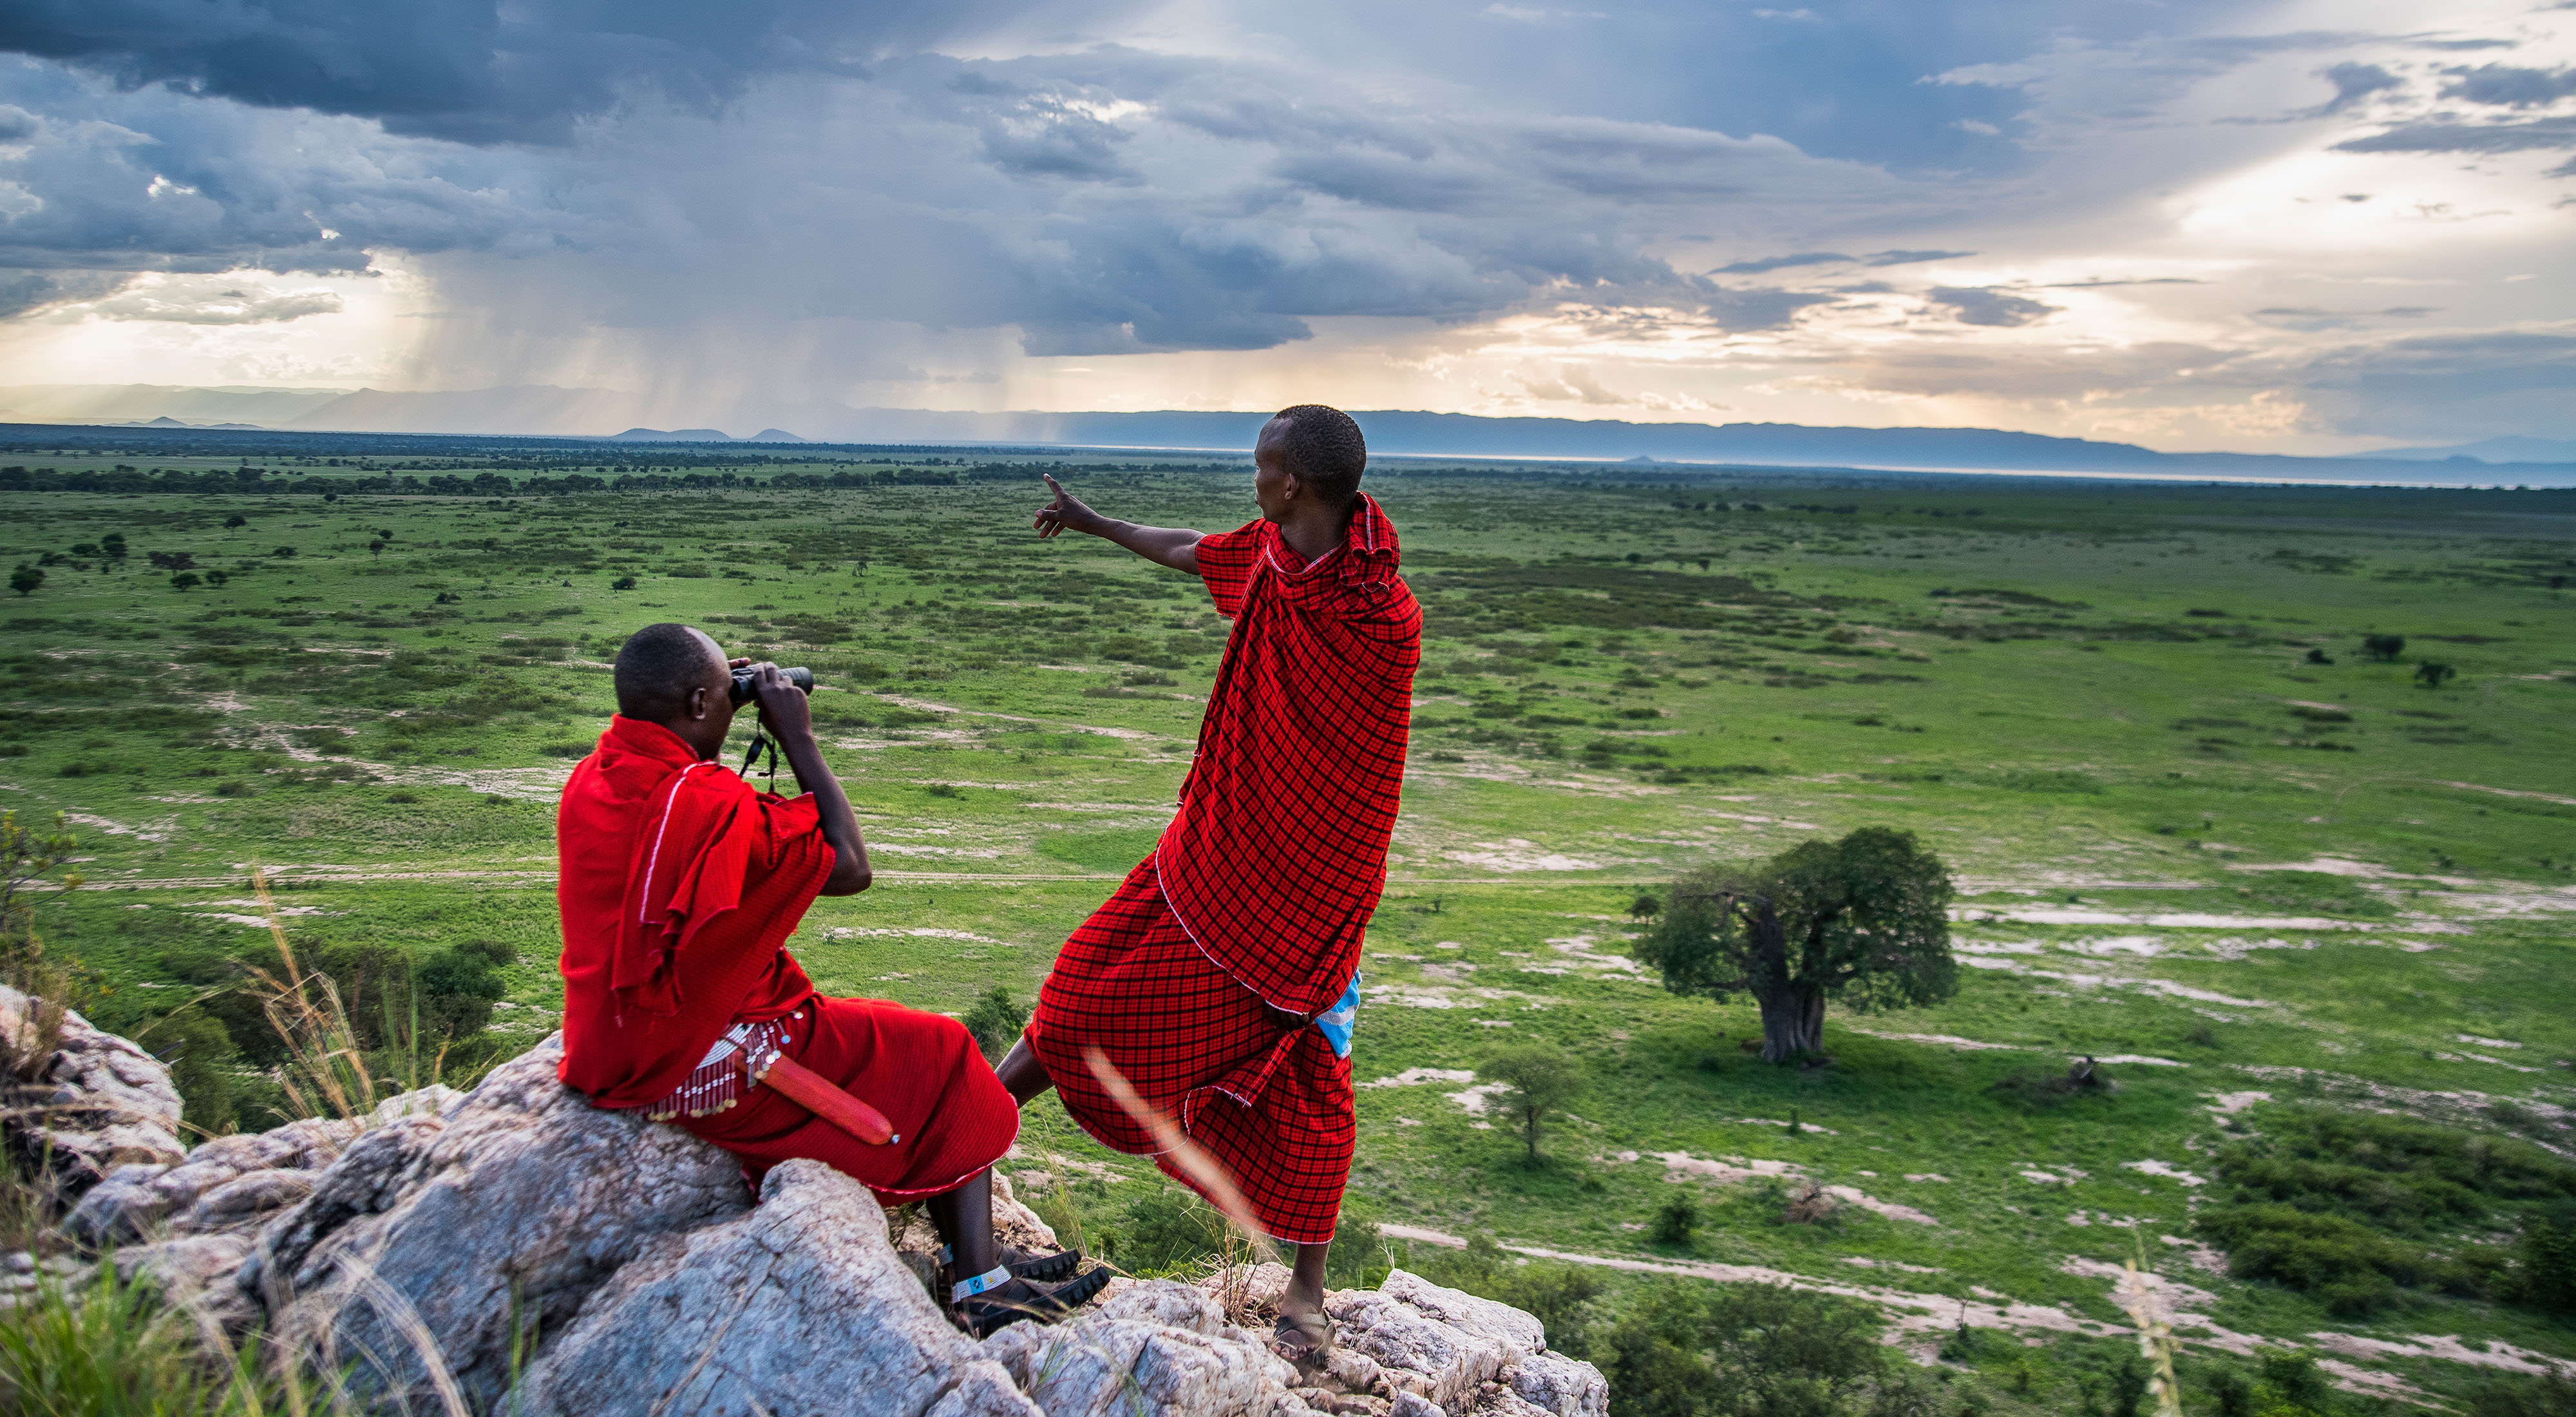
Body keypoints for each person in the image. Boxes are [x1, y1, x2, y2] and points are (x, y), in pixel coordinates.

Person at [999, 405, 1421, 1357]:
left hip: (1309, 897)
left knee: (1308, 1080)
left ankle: (1306, 1297)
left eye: (1261, 466)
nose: (1252, 478)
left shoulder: (1379, 618)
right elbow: (1194, 551)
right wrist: (1096, 521)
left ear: (1292, 487)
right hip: (1210, 856)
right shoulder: (1272, 560)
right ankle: (963, 1132)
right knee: (1075, 999)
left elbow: (1360, 774)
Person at [554, 623, 1108, 1335]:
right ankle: (982, 1286)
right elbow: (850, 866)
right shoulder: (703, 801)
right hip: (699, 1056)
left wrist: (717, 697)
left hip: (608, 1040)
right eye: (727, 696)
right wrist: (797, 737)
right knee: (942, 1054)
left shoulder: (600, 772)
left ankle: (976, 1248)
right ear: (697, 704)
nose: (734, 707)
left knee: (896, 1039)